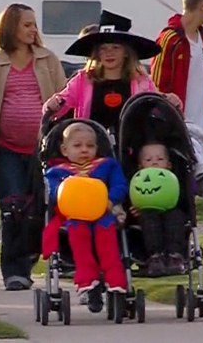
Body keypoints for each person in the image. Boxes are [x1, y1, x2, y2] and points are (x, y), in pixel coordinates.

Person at [0, 3, 67, 290]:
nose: (33, 29)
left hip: (42, 150)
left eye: (34, 24)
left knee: (36, 209)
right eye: (26, 24)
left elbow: (64, 98)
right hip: (4, 150)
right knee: (12, 207)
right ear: (10, 26)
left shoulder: (47, 60)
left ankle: (27, 262)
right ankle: (13, 271)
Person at [150, 0, 203, 227]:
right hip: (177, 123)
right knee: (181, 180)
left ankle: (198, 221)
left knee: (195, 179)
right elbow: (158, 83)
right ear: (202, 4)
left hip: (200, 123)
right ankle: (179, 231)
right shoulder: (170, 39)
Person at [44, 10, 182, 135]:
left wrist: (171, 101)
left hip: (130, 152)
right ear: (97, 54)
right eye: (104, 48)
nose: (109, 53)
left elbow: (157, 107)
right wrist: (52, 104)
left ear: (126, 53)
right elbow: (59, 106)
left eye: (115, 47)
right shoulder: (82, 80)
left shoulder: (142, 82)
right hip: (90, 152)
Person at [41, 122, 128, 312]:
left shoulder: (107, 166)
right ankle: (89, 280)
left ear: (97, 148)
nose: (84, 150)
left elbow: (120, 185)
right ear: (64, 149)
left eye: (90, 146)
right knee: (78, 235)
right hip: (74, 215)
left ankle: (115, 280)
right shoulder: (57, 172)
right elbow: (53, 194)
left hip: (102, 213)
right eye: (77, 146)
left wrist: (111, 200)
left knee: (108, 240)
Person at [130, 142, 188, 276]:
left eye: (160, 159)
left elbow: (184, 198)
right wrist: (133, 208)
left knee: (175, 217)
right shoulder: (137, 180)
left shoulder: (174, 179)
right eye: (148, 160)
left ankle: (175, 255)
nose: (154, 163)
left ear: (169, 165)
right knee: (148, 219)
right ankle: (155, 256)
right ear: (140, 166)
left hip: (171, 209)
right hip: (146, 211)